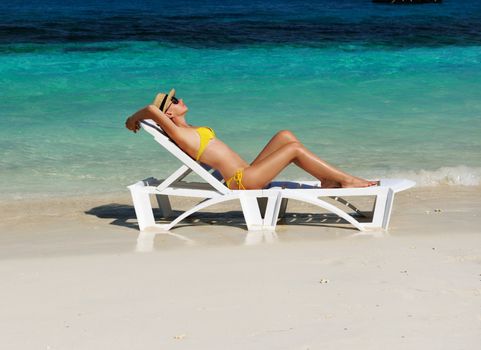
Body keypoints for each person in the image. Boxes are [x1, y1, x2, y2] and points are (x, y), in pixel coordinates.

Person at [125, 89, 377, 190]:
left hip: (247, 171)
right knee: (294, 149)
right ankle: (343, 180)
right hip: (241, 181)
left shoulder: (189, 127)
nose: (180, 100)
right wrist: (132, 119)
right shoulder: (179, 133)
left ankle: (328, 178)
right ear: (168, 113)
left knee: (285, 136)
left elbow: (154, 111)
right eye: (175, 100)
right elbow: (150, 108)